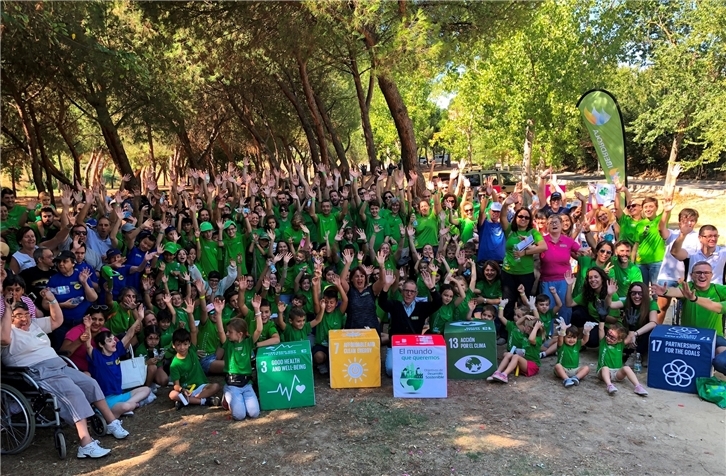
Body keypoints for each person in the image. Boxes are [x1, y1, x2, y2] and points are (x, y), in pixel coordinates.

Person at [0, 288, 130, 459]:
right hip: (35, 370)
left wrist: (52, 300)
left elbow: (57, 320)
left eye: (26, 314)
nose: (24, 318)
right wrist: (8, 310)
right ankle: (86, 444)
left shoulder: (35, 325)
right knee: (73, 392)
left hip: (58, 364)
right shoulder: (7, 331)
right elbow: (4, 340)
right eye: (18, 315)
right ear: (10, 317)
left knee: (90, 383)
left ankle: (112, 422)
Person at [86, 315, 153, 418]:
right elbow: (88, 345)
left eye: (114, 340)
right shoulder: (97, 356)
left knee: (146, 390)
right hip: (106, 400)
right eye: (109, 341)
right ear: (101, 345)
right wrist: (87, 327)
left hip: (120, 395)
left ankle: (130, 405)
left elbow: (129, 335)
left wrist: (139, 318)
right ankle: (129, 407)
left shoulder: (116, 352)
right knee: (124, 407)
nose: (114, 342)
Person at [378, 269, 442, 377]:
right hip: (395, 346)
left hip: (413, 348)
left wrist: (432, 288)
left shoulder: (422, 307)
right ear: (402, 291)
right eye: (406, 290)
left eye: (412, 292)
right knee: (391, 370)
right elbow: (382, 302)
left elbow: (438, 303)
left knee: (420, 370)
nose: (409, 294)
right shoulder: (395, 305)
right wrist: (386, 286)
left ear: (416, 293)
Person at [499, 195, 548, 320]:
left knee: (524, 303)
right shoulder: (510, 230)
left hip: (525, 274)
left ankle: (524, 331)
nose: (523, 219)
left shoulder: (533, 233)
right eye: (520, 216)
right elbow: (503, 217)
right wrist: (505, 205)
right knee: (508, 302)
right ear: (516, 218)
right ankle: (508, 332)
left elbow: (543, 247)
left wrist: (525, 252)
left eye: (527, 217)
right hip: (508, 272)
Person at [212, 296, 261, 421]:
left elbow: (259, 329)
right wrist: (218, 313)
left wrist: (257, 310)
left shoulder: (248, 343)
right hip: (232, 384)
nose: (227, 334)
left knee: (254, 413)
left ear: (240, 334)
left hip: (246, 384)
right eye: (227, 332)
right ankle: (227, 396)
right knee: (239, 416)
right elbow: (221, 331)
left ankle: (238, 400)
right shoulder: (228, 344)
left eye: (230, 332)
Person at [46, 251, 98, 349]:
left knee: (81, 348)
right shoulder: (53, 280)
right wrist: (63, 305)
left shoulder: (81, 276)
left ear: (73, 263)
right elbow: (45, 305)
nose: (61, 264)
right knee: (62, 350)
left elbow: (93, 298)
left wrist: (84, 283)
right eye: (59, 262)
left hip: (81, 321)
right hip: (62, 323)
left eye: (65, 261)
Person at [168, 316, 222, 410]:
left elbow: (193, 331)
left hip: (201, 387)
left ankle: (186, 401)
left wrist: (190, 313)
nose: (182, 348)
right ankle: (204, 401)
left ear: (189, 344)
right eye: (178, 345)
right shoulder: (174, 364)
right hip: (186, 390)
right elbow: (176, 385)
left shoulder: (192, 350)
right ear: (173, 345)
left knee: (216, 386)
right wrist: (182, 390)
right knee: (172, 394)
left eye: (185, 344)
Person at [539, 214, 580, 324]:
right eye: (551, 222)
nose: (554, 224)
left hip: (564, 280)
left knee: (565, 308)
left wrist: (587, 250)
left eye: (557, 222)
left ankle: (565, 334)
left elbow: (581, 251)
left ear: (562, 225)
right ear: (547, 226)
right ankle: (548, 334)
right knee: (547, 309)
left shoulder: (568, 241)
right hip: (547, 280)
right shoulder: (541, 240)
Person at [608, 282, 658, 363]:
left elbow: (653, 322)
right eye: (633, 293)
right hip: (628, 332)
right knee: (615, 329)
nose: (637, 296)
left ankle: (642, 353)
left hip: (642, 333)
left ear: (645, 294)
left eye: (640, 293)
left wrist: (635, 334)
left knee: (652, 332)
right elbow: (610, 305)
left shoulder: (651, 303)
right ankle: (627, 352)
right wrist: (609, 295)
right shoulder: (627, 301)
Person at [596, 321, 649, 396]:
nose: (608, 338)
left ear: (619, 340)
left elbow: (630, 337)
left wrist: (632, 327)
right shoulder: (603, 342)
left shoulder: (620, 345)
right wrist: (602, 320)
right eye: (608, 335)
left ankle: (638, 386)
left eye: (612, 338)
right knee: (605, 368)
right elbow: (601, 329)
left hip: (617, 372)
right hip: (604, 373)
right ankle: (609, 385)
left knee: (626, 368)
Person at [488, 316, 545, 383]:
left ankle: (504, 375)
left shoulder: (538, 339)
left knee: (516, 356)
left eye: (526, 325)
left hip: (532, 366)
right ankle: (497, 372)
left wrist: (536, 327)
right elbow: (517, 324)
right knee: (508, 354)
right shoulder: (525, 334)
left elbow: (531, 339)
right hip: (523, 362)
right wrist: (525, 317)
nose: (524, 327)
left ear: (530, 328)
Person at [553, 319, 594, 387]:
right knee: (557, 366)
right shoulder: (562, 345)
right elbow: (560, 339)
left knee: (586, 368)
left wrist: (586, 332)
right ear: (564, 337)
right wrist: (562, 331)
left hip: (575, 370)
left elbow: (585, 340)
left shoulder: (577, 344)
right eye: (569, 337)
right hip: (564, 369)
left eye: (574, 337)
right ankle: (566, 379)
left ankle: (575, 378)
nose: (571, 340)